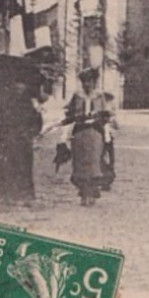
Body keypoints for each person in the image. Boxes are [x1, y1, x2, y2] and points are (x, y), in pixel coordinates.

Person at [0, 79, 42, 206]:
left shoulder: (29, 104)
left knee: (24, 169)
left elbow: (37, 122)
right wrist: (3, 130)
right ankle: (5, 196)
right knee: (5, 168)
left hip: (23, 141)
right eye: (16, 87)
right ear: (12, 86)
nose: (19, 89)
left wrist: (31, 133)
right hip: (6, 140)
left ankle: (26, 196)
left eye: (21, 87)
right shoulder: (2, 102)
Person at [63, 68, 110, 206]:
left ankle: (92, 191)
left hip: (95, 132)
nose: (87, 84)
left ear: (94, 82)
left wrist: (104, 127)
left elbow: (106, 115)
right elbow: (69, 113)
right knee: (80, 163)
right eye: (84, 82)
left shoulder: (100, 96)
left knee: (94, 162)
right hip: (79, 132)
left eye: (90, 81)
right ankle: (83, 192)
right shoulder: (77, 96)